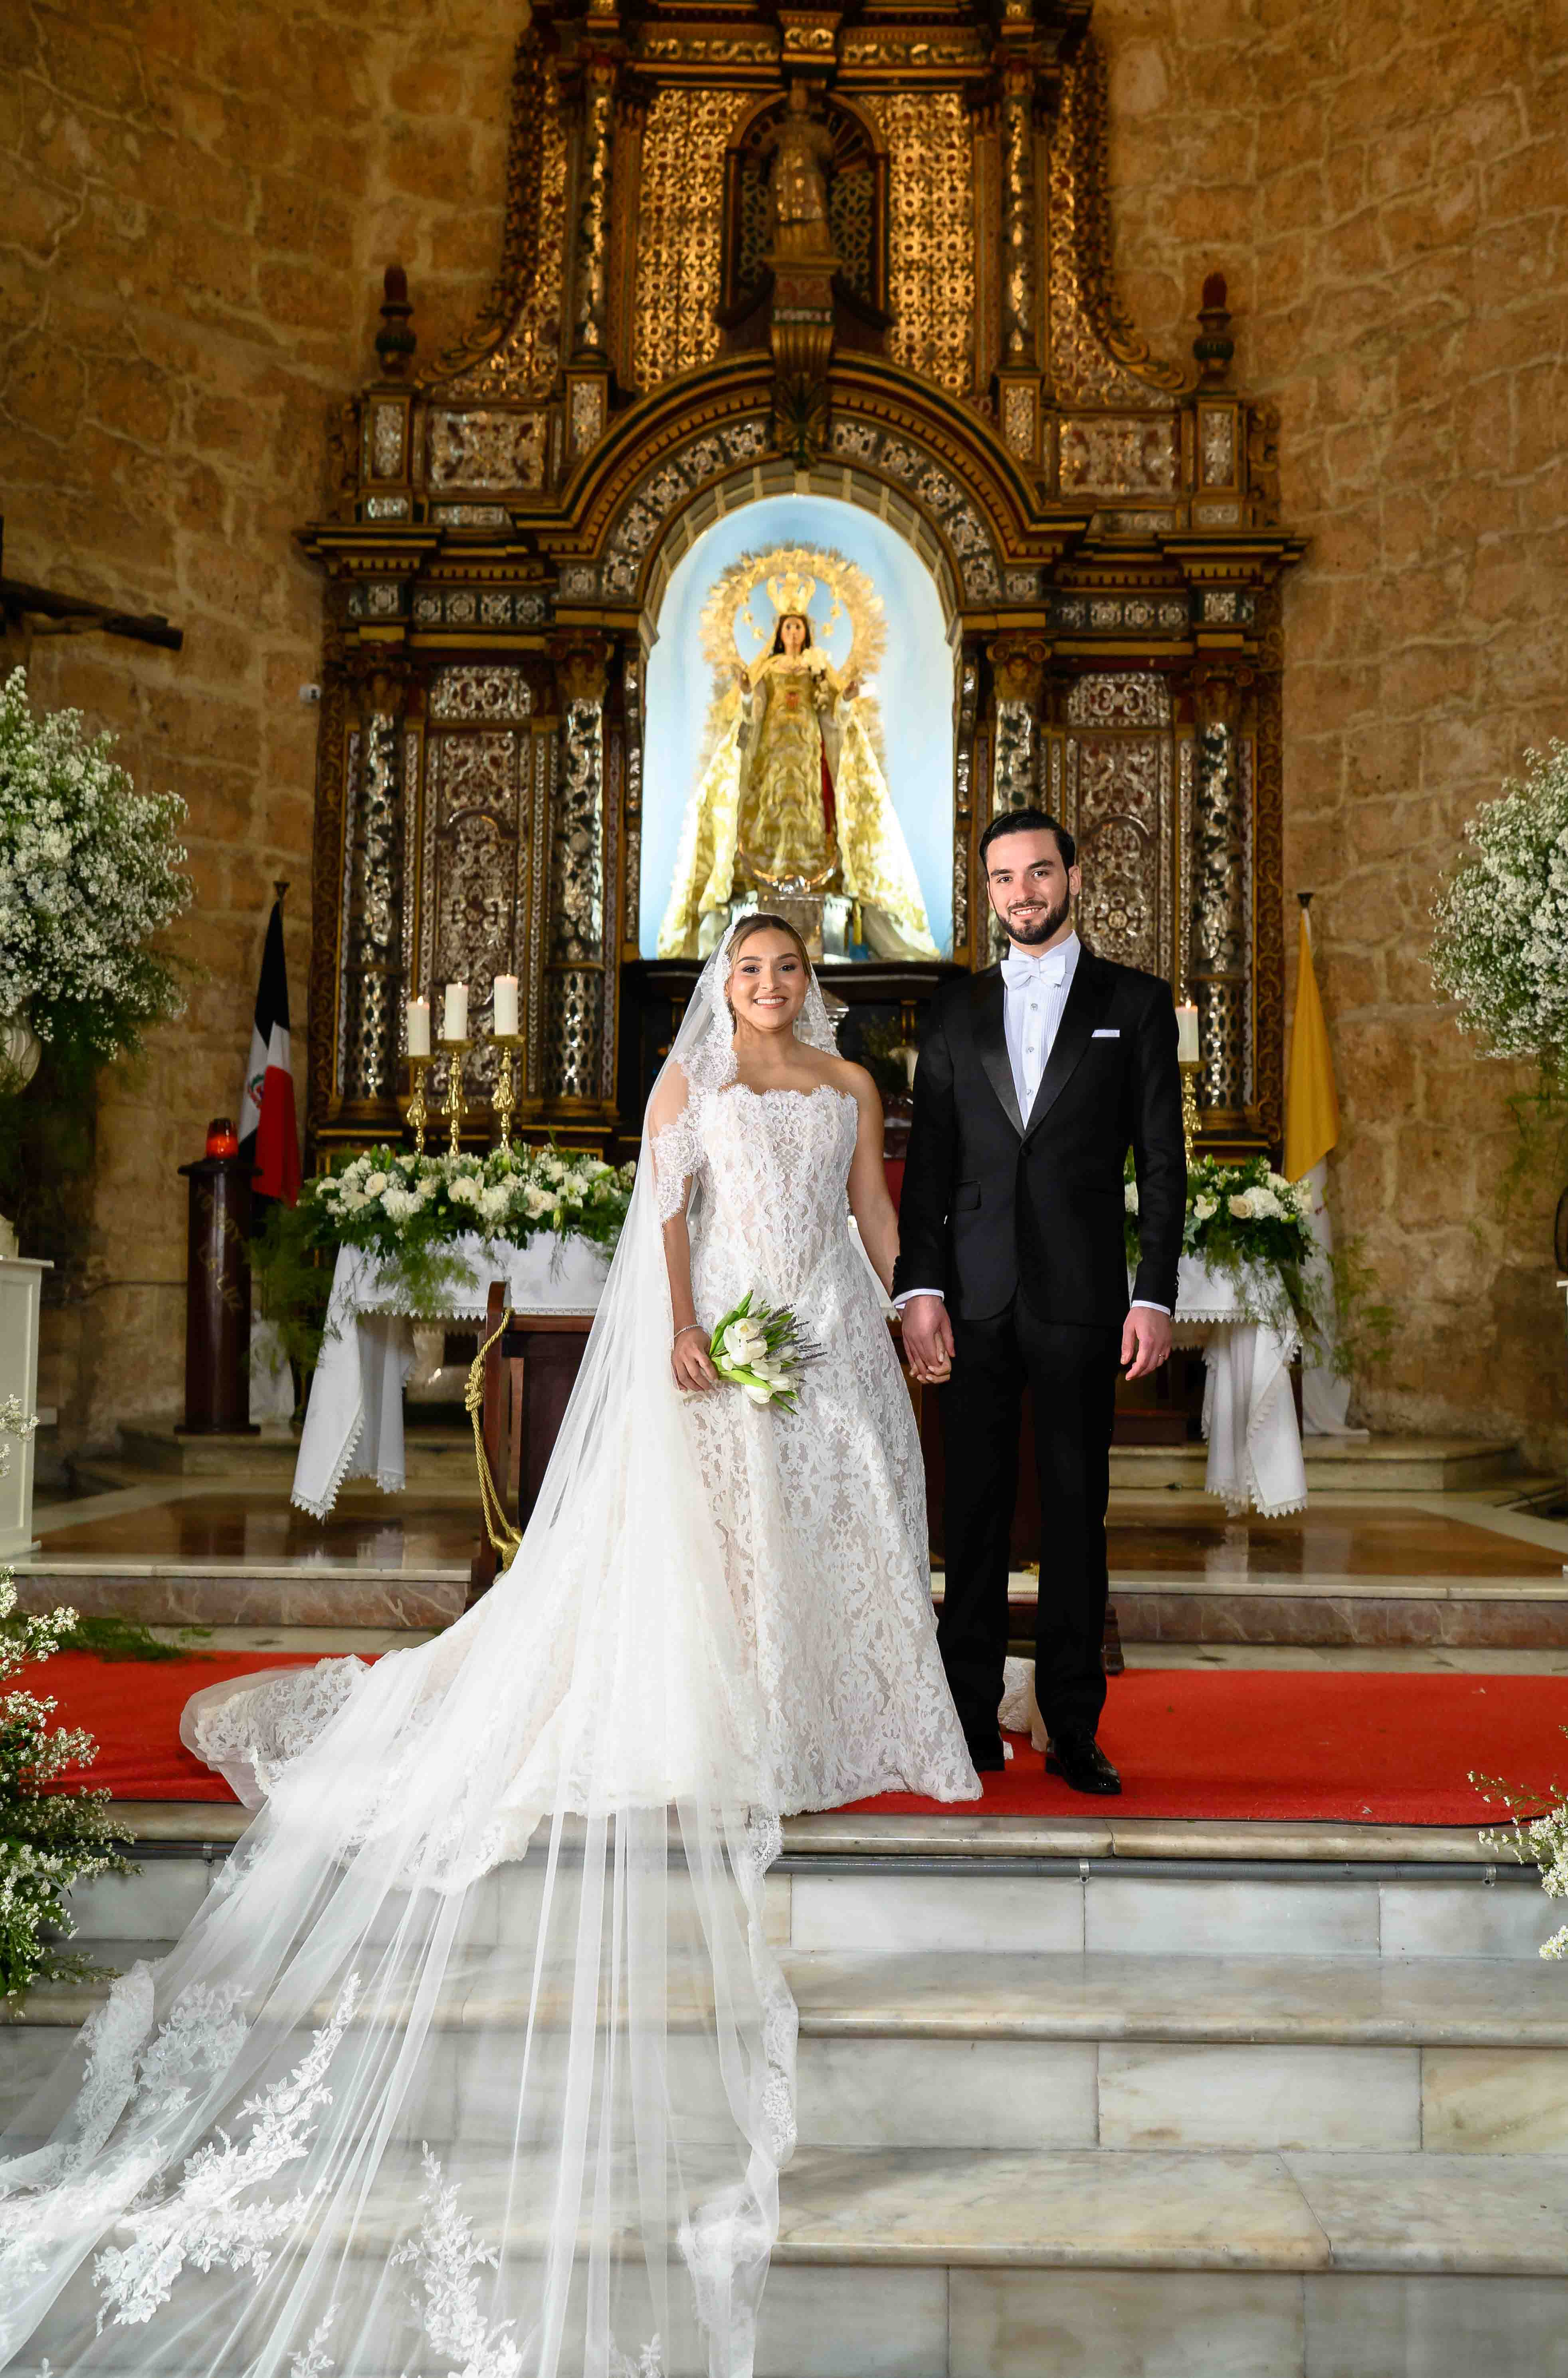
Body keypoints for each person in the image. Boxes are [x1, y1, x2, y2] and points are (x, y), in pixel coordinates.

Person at [0, 917, 976, 2378]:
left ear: (809, 987)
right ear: (727, 984)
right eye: (750, 972)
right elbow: (661, 1224)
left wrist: (914, 1304)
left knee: (849, 1506)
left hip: (831, 1324)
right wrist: (684, 1336)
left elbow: (870, 1213)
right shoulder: (685, 1080)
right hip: (726, 1325)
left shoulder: (847, 1085)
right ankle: (747, 1709)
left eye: (784, 973)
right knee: (731, 1540)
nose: (767, 990)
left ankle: (841, 1710)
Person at [896, 809, 1187, 1795]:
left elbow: (1163, 1164)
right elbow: (929, 1162)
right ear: (986, 891)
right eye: (1004, 878)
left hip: (1083, 1294)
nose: (1023, 891)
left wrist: (1152, 1294)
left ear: (1071, 876)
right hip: (972, 1295)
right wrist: (921, 1288)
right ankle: (968, 1720)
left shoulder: (1136, 1004)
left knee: (1074, 1513)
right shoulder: (954, 1010)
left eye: (1039, 872)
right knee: (970, 1518)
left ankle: (1073, 1726)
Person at [657, 602, 937, 961]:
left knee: (813, 816)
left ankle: (813, 885)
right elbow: (753, 712)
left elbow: (831, 715)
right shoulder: (768, 668)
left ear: (806, 632)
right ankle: (761, 882)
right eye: (787, 627)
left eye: (798, 627)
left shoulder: (817, 668)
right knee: (764, 813)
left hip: (807, 754)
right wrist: (746, 693)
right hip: (772, 756)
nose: (793, 633)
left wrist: (847, 699)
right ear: (779, 633)